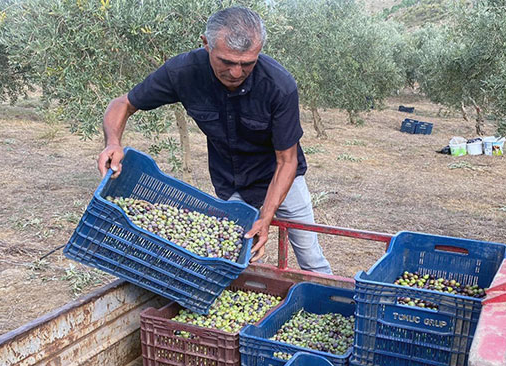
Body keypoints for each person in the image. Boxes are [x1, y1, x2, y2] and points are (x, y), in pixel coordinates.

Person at [97, 6, 332, 274]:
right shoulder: (183, 72)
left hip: (282, 180)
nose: (236, 73)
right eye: (226, 62)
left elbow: (287, 160)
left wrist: (266, 217)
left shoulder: (279, 86)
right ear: (206, 43)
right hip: (231, 182)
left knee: (311, 261)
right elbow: (123, 104)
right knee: (230, 259)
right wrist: (113, 142)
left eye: (247, 64)